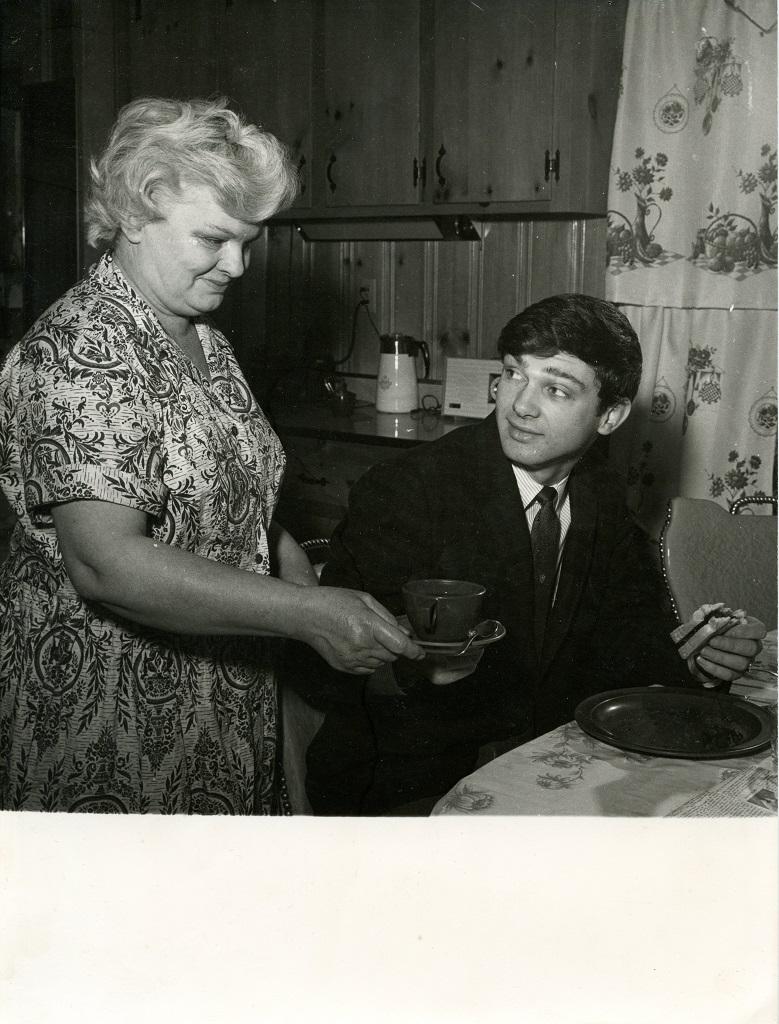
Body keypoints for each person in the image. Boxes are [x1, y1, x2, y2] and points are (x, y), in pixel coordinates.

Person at [0, 96, 421, 814]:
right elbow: (107, 564)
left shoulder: (203, 339)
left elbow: (235, 496)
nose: (238, 265)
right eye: (213, 239)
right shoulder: (82, 349)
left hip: (223, 695)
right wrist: (303, 616)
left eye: (249, 241)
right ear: (137, 213)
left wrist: (303, 579)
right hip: (107, 713)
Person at [296, 293, 766, 815]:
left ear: (609, 416)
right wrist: (417, 664)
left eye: (555, 389)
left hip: (549, 764)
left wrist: (702, 659)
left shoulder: (600, 496)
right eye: (515, 373)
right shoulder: (407, 489)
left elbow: (627, 647)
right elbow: (336, 674)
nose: (520, 403)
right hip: (412, 782)